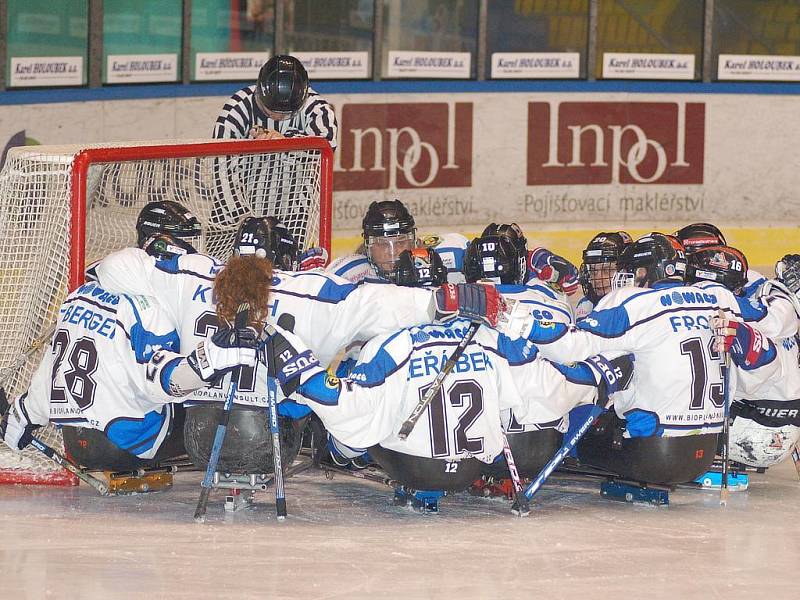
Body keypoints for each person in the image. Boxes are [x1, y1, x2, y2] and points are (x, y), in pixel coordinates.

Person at [91, 215, 503, 472]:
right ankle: (340, 452)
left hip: (198, 438)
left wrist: (153, 295)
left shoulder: (195, 274)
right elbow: (376, 303)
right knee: (347, 369)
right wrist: (442, 300)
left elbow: (109, 268)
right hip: (270, 443)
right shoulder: (309, 290)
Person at [262, 315, 632, 493]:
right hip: (474, 467)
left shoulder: (395, 343)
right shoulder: (489, 337)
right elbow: (549, 392)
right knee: (512, 402)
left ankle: (339, 454)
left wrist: (293, 363)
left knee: (366, 414)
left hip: (412, 468)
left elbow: (350, 406)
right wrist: (599, 378)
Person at [499, 232, 745, 485]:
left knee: (577, 398)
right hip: (704, 454)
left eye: (630, 271)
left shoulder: (635, 303)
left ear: (644, 272)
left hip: (650, 453)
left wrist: (519, 322)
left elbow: (570, 346)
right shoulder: (718, 299)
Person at [0, 277, 257, 470]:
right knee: (208, 405)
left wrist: (23, 414)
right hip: (126, 443)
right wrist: (207, 363)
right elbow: (165, 381)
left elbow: (54, 367)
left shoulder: (78, 295)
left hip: (76, 445)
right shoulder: (147, 307)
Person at [329, 201, 580, 294]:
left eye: (401, 241)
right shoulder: (352, 273)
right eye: (383, 244)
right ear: (368, 246)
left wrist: (532, 259)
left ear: (415, 238)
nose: (393, 253)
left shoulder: (449, 252)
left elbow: (496, 261)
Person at [212, 54, 337, 149]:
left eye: (287, 114)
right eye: (270, 111)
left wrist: (286, 142)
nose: (277, 117)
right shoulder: (237, 109)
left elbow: (326, 149)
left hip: (301, 182)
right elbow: (220, 166)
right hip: (246, 183)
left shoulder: (318, 110)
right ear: (259, 93)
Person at [575, 231, 632, 320]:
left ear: (626, 270)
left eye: (606, 270)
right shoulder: (585, 306)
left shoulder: (640, 306)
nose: (597, 278)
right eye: (593, 271)